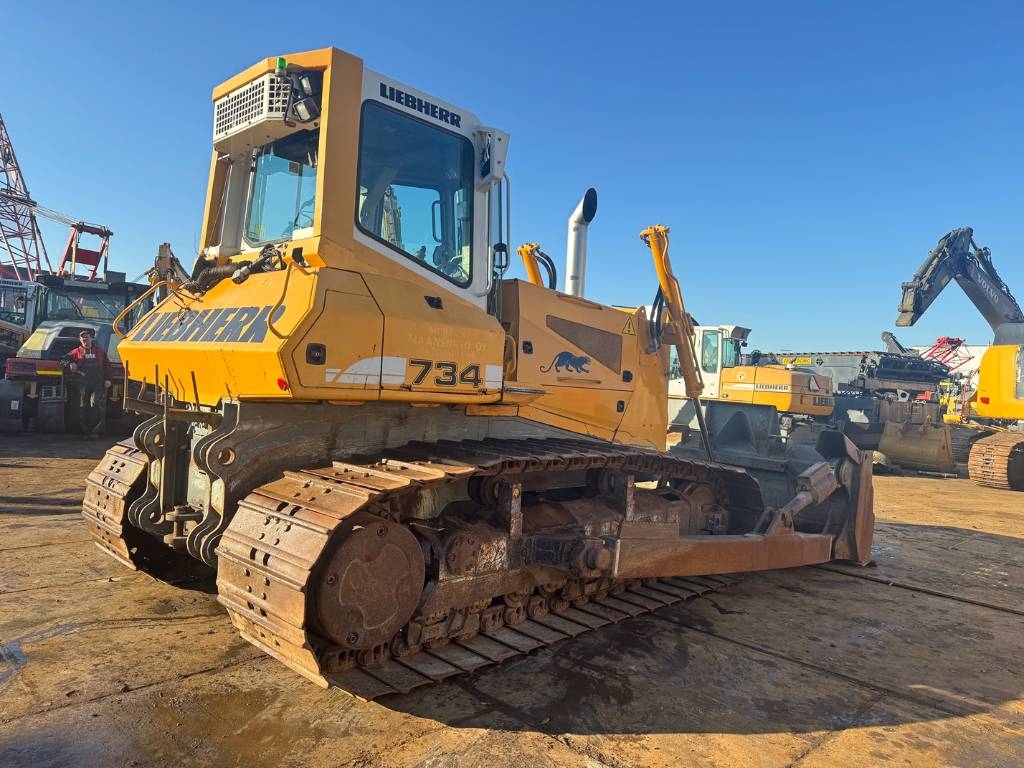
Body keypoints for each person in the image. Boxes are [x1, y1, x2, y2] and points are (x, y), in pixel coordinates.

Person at [62, 329, 112, 439]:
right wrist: (71, 363)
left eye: (87, 338)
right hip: (82, 383)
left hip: (98, 382)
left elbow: (107, 366)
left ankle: (95, 431)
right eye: (83, 338)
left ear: (91, 339)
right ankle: (86, 432)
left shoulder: (100, 351)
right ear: (80, 340)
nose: (85, 340)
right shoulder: (76, 352)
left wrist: (108, 379)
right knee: (83, 406)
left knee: (95, 403)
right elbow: (63, 360)